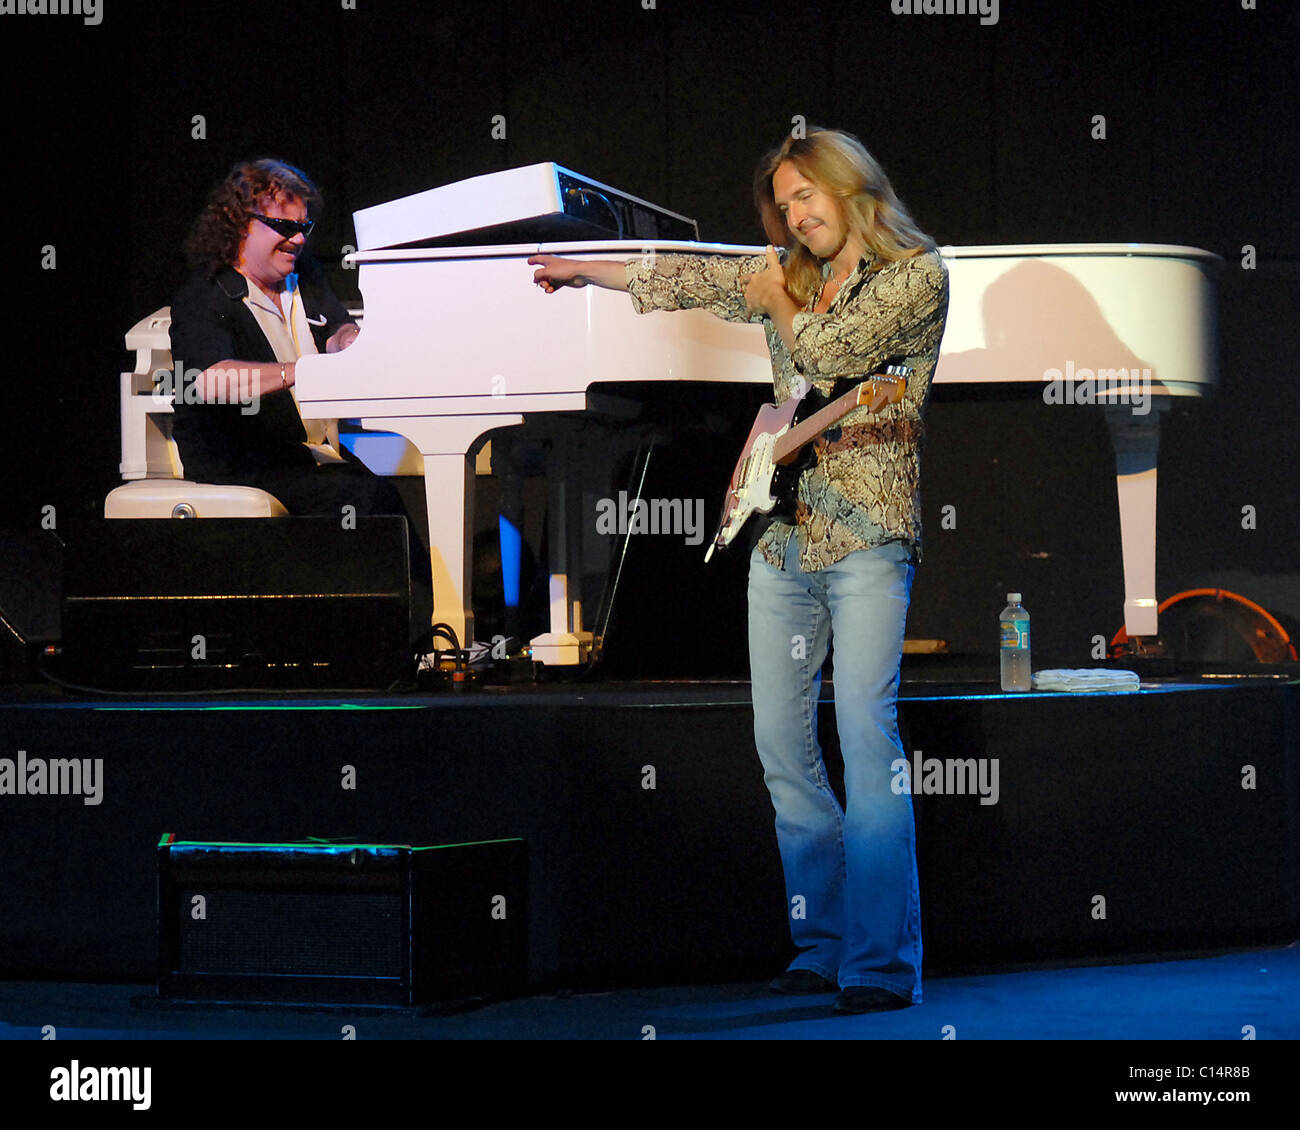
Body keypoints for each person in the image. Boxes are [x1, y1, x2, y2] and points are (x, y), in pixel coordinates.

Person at [529, 128, 949, 1014]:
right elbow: (687, 276)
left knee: (868, 737)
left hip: (869, 530)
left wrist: (779, 304)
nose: (797, 216)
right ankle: (820, 943)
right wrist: (582, 273)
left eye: (808, 196)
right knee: (782, 749)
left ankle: (880, 964)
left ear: (850, 187)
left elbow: (833, 357)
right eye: (784, 204)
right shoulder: (781, 271)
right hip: (781, 538)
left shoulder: (917, 274)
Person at [169, 157, 432, 649]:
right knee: (366, 499)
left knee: (379, 496)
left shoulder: (302, 278)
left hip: (307, 459)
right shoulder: (207, 296)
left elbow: (336, 330)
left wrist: (351, 339)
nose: (299, 238)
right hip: (243, 463)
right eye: (284, 226)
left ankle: (417, 635)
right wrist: (299, 372)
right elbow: (209, 382)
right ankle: (403, 639)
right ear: (239, 224)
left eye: (304, 225)